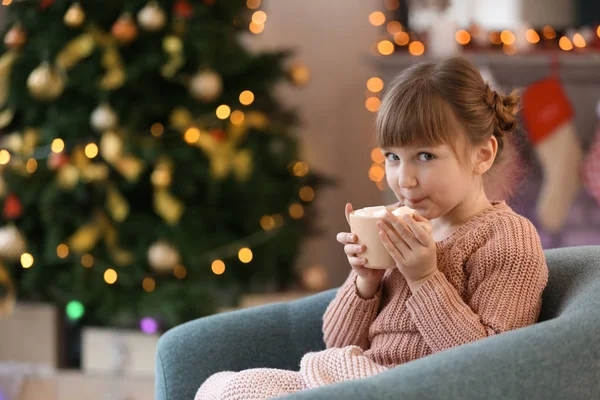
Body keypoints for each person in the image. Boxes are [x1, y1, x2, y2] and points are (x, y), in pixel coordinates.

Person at [195, 56, 549, 400]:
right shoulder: (396, 220)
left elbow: (490, 367)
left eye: (425, 156)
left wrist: (424, 278)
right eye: (392, 157)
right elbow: (337, 342)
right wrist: (366, 280)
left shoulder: (506, 239)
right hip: (361, 375)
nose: (404, 179)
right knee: (219, 387)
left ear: (482, 155)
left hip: (415, 387)